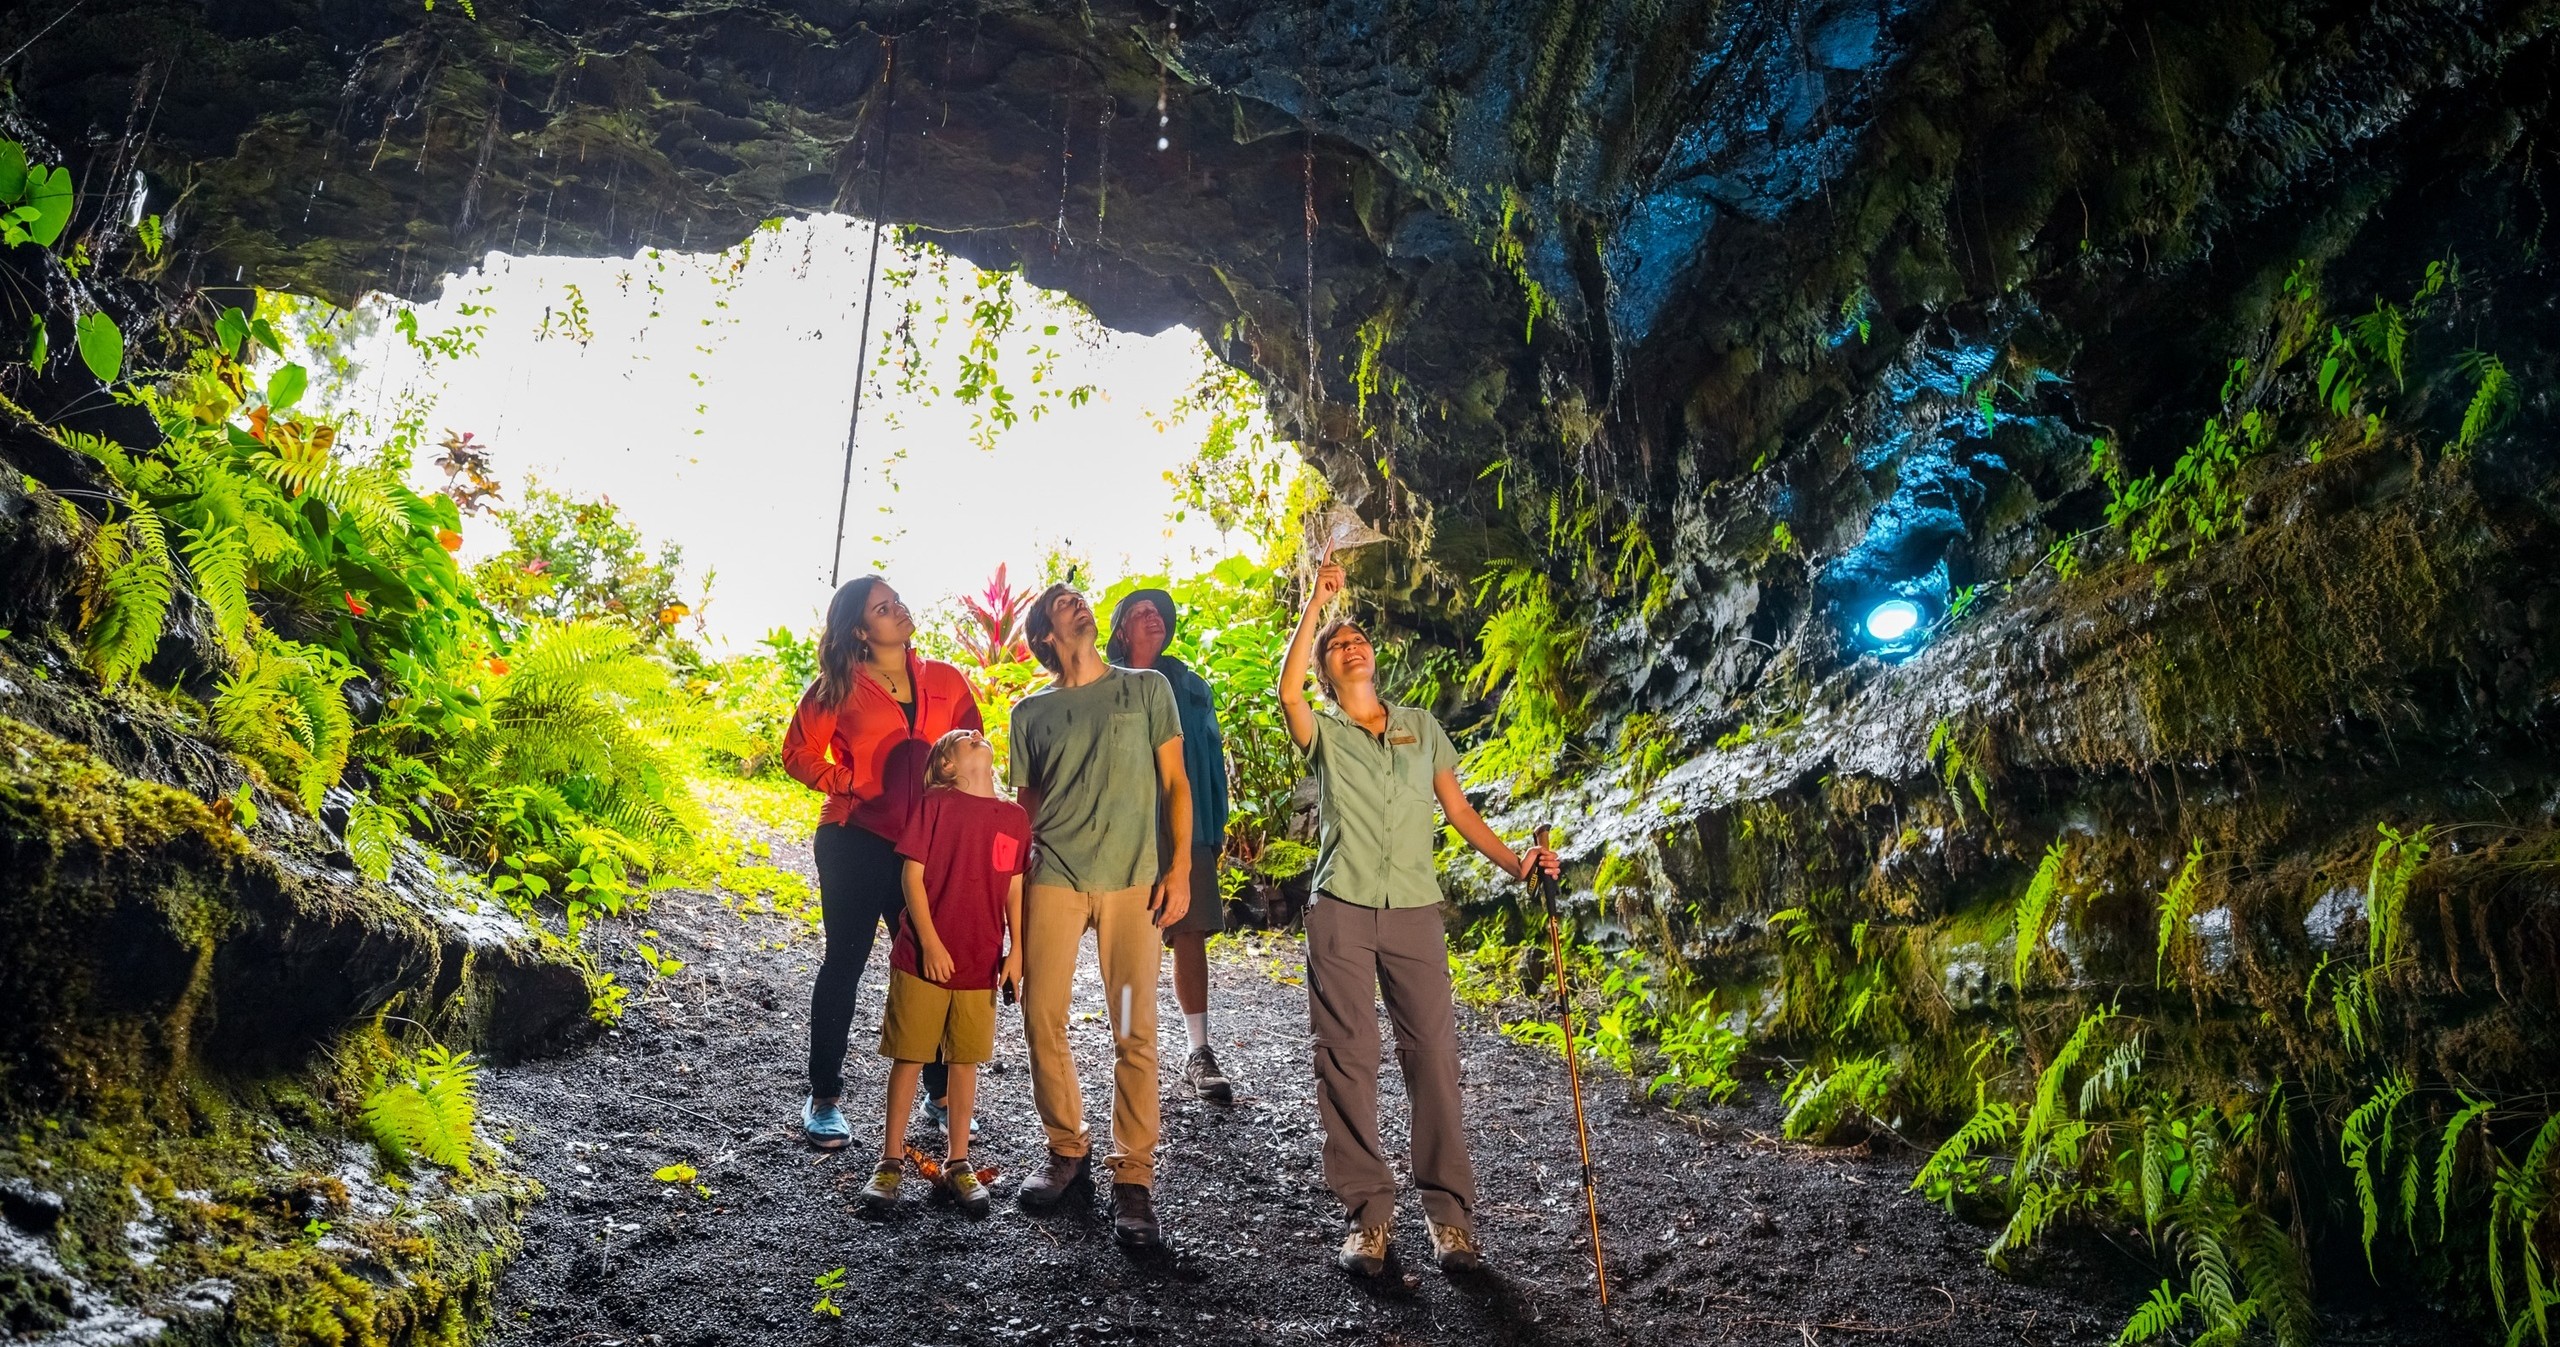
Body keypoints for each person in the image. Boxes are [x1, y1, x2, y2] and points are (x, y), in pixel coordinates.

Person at [1278, 559, 1559, 1279]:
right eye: (1338, 644)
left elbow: (1459, 811)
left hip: (1412, 909)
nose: (1354, 645)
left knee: (1432, 1056)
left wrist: (1517, 863)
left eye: (1360, 637)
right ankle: (1369, 1221)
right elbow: (1287, 690)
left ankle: (1450, 1221)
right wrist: (1319, 602)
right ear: (1325, 666)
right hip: (1340, 905)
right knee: (1346, 1058)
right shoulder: (1325, 730)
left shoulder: (1420, 726)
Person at [1008, 582, 1192, 1249]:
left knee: (1132, 1029)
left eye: (1080, 598)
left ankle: (1133, 1176)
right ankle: (1068, 1148)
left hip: (1131, 881)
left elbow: (1175, 783)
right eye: (1063, 603)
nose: (1079, 604)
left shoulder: (1146, 689)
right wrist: (1011, 913)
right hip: (1053, 875)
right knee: (1041, 1014)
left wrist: (1180, 870)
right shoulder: (1030, 712)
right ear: (1045, 635)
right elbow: (1025, 813)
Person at [782, 576, 983, 1149]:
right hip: (854, 839)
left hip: (924, 846)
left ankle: (940, 1096)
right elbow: (796, 753)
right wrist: (851, 781)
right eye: (882, 607)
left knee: (928, 964)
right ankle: (823, 1098)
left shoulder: (946, 679)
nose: (899, 609)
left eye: (897, 599)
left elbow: (973, 747)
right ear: (860, 630)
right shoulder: (837, 685)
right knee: (845, 963)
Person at [858, 729, 1029, 1219]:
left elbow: (1015, 889)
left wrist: (1017, 950)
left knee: (964, 1062)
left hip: (980, 963)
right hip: (921, 959)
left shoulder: (1014, 818)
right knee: (910, 1057)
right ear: (948, 766)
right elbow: (911, 876)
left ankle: (958, 1163)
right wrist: (929, 942)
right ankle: (889, 1160)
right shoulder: (935, 805)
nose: (976, 734)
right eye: (962, 738)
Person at [1107, 587, 1235, 1105]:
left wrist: (1213, 827)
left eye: (1158, 613)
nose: (1152, 618)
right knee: (1129, 938)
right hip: (1126, 830)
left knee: (1190, 932)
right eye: (1139, 613)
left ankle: (1198, 1051)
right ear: (1120, 630)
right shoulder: (1106, 686)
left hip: (1189, 824)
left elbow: (1210, 756)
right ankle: (1131, 1049)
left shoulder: (1191, 685)